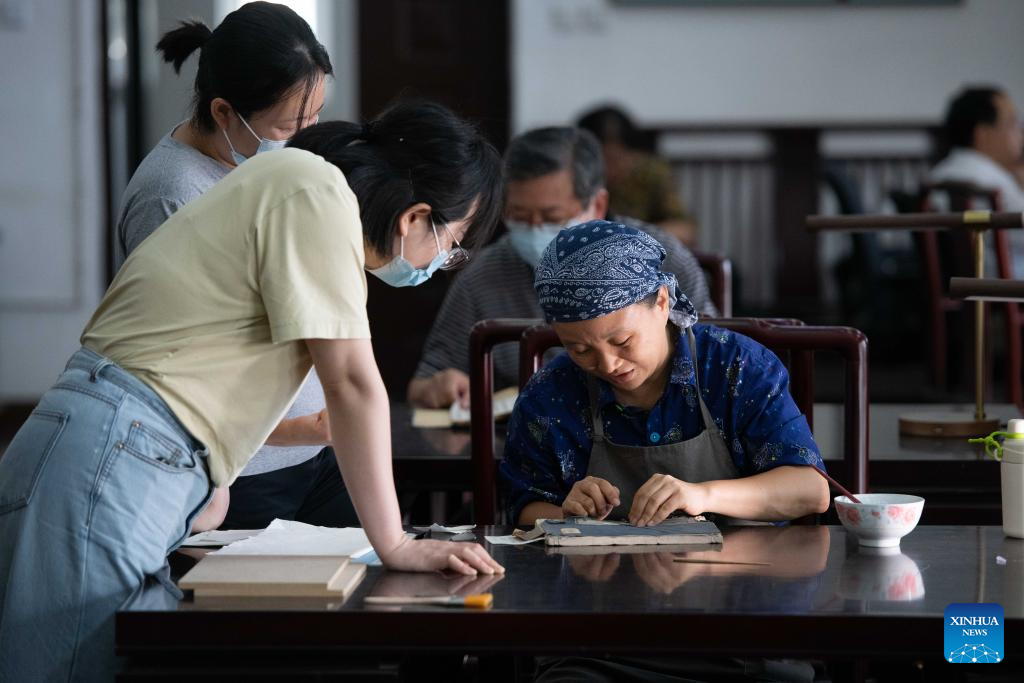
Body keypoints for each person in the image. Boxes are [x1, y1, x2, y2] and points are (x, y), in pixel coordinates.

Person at [0, 100, 505, 681]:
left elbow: (201, 357)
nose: (443, 261)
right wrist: (396, 543)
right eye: (453, 243)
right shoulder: (315, 190)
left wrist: (210, 475)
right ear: (415, 217)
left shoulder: (295, 189)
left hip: (115, 448)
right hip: (111, 453)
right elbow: (352, 383)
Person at [115, 3, 355, 529]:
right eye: (289, 126)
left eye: (313, 118)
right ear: (224, 112)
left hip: (317, 452)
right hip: (244, 472)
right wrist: (292, 431)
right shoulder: (171, 195)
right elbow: (174, 373)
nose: (304, 138)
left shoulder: (267, 167)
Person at [499, 221, 829, 527]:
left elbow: (810, 489)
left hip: (744, 567)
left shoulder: (735, 367)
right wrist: (565, 514)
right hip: (606, 570)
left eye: (622, 341)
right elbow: (520, 506)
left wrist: (703, 495)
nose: (609, 364)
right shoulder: (551, 394)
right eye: (580, 350)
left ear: (661, 302)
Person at [407, 126, 716, 410]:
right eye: (519, 216)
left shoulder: (662, 261)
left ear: (597, 205)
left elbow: (712, 360)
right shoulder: (482, 278)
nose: (534, 229)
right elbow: (425, 382)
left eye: (551, 217)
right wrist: (441, 387)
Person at [929, 86, 1024, 274]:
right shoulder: (989, 179)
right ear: (982, 134)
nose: (1020, 133)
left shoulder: (939, 174)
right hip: (1002, 282)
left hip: (963, 282)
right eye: (1012, 123)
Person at [577, 105, 698, 247]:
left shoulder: (651, 173)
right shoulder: (578, 177)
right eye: (603, 159)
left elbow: (684, 230)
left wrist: (630, 236)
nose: (609, 168)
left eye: (616, 158)